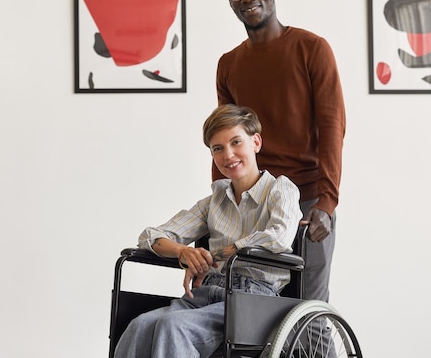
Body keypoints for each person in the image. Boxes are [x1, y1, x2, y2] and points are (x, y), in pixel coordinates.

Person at [113, 104, 302, 358]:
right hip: (204, 295)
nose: (229, 154)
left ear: (256, 142)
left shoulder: (281, 190)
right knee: (139, 326)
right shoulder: (214, 202)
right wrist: (183, 253)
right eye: (218, 148)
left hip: (253, 303)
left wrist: (218, 254)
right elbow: (150, 236)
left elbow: (278, 236)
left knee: (173, 328)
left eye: (236, 142)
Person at [216, 0, 346, 304]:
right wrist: (218, 199)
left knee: (308, 312)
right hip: (253, 202)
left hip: (307, 203)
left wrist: (327, 202)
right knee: (249, 313)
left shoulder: (312, 49)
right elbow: (225, 139)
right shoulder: (229, 64)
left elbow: (333, 127)